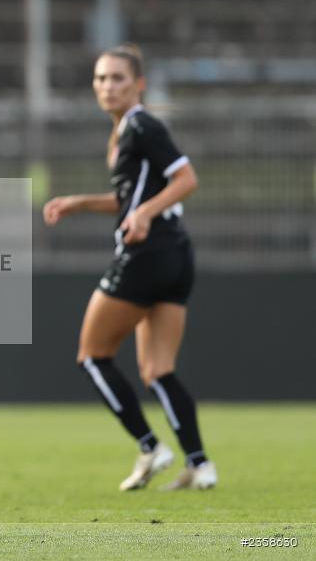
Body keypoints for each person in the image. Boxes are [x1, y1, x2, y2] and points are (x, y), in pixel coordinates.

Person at [43, 44, 216, 491]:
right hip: (177, 256)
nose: (107, 86)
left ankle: (149, 446)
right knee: (158, 369)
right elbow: (131, 199)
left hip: (147, 254)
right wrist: (83, 203)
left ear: (138, 84)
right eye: (101, 78)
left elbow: (186, 179)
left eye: (118, 78)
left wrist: (143, 215)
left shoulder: (141, 124)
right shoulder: (125, 132)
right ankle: (200, 465)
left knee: (92, 357)